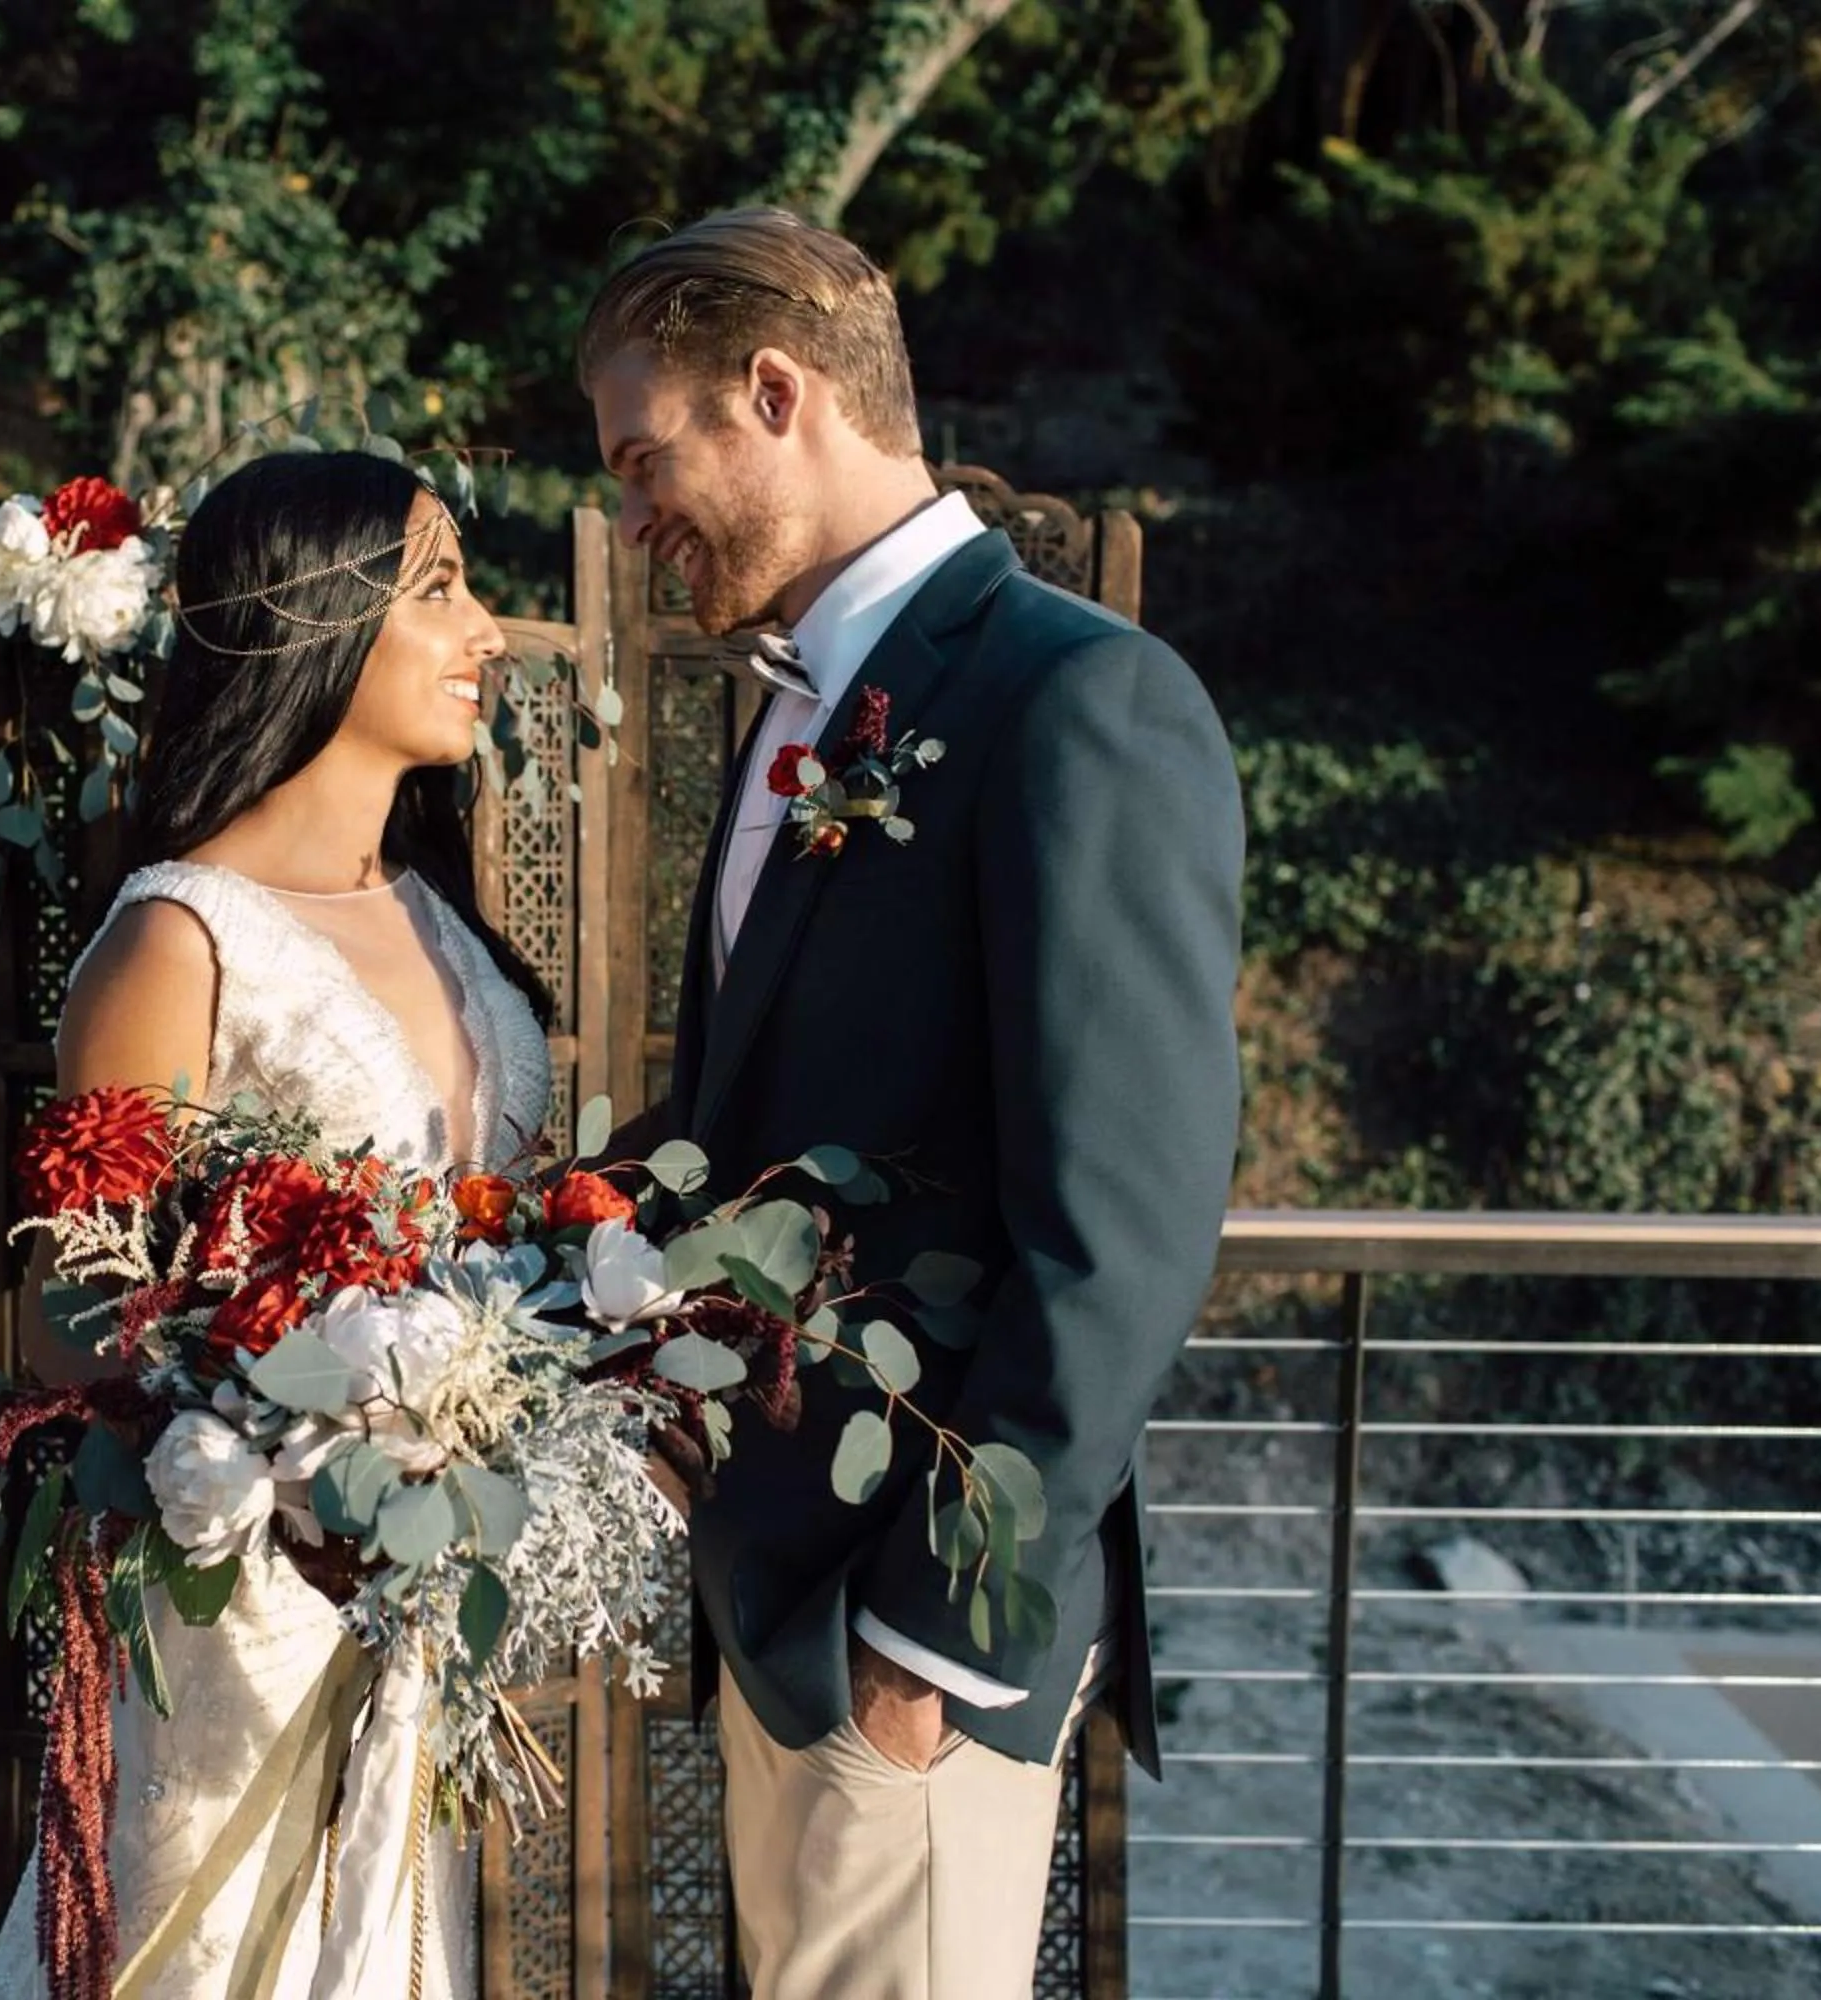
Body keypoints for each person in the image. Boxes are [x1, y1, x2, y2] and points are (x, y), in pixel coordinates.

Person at [579, 208, 1244, 1997]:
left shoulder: (1078, 701)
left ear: (774, 394)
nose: (635, 519)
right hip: (782, 1593)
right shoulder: (804, 712)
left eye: (647, 459)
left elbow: (1121, 1233)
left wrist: (928, 1649)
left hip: (908, 1644)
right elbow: (759, 1120)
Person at [0, 448, 552, 1999]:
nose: (491, 630)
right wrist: (299, 1414)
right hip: (244, 1602)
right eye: (441, 588)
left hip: (426, 1591)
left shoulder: (444, 923)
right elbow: (63, 1314)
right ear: (316, 618)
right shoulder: (179, 936)